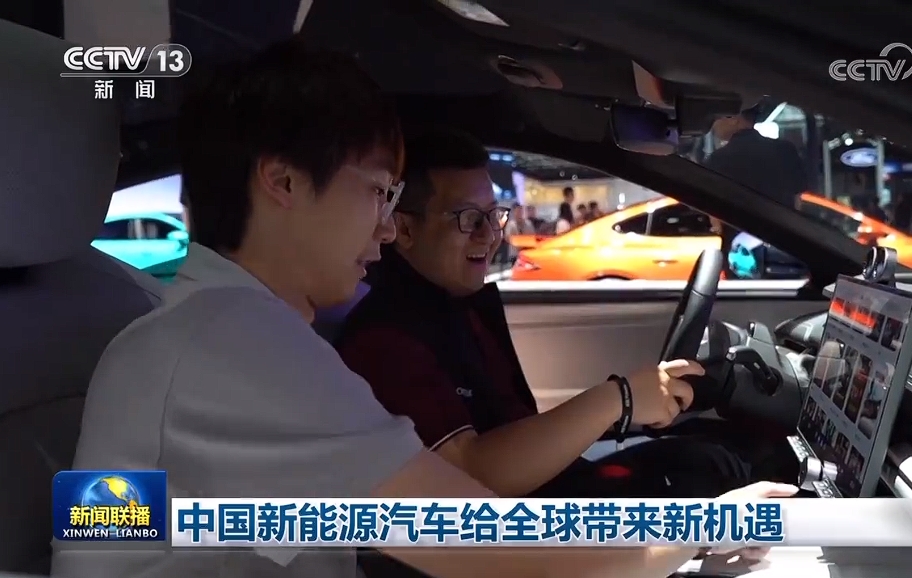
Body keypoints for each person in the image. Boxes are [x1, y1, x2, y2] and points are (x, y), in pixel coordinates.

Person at [53, 40, 794, 578]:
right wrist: (710, 525)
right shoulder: (230, 339)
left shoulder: (208, 327)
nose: (386, 228)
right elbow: (484, 546)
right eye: (379, 193)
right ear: (282, 181)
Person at [338, 127, 773, 501]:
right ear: (405, 228)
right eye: (468, 219)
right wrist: (619, 400)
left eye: (494, 216)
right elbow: (470, 475)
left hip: (541, 501)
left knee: (715, 456)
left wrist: (621, 406)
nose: (489, 236)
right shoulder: (386, 341)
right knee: (717, 470)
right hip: (509, 537)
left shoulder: (457, 307)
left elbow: (512, 430)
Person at [705, 101, 808, 277]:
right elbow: (797, 202)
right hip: (783, 252)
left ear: (734, 118)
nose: (713, 125)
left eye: (716, 118)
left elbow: (715, 217)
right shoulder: (785, 150)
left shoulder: (717, 159)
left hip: (739, 255)